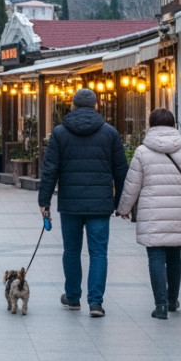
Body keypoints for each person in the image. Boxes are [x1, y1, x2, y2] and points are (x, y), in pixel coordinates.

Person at [37, 88, 128, 317]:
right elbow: (121, 170)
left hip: (70, 204)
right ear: (95, 106)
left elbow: (50, 170)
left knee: (71, 251)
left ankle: (73, 297)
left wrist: (44, 201)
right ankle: (95, 303)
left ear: (73, 106)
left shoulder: (59, 133)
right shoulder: (110, 133)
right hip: (100, 204)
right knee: (98, 253)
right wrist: (119, 202)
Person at [117, 108, 181, 320]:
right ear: (173, 125)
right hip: (179, 213)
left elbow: (133, 185)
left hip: (152, 214)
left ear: (151, 125)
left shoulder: (142, 152)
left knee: (156, 258)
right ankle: (171, 300)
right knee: (174, 256)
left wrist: (124, 208)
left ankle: (160, 306)